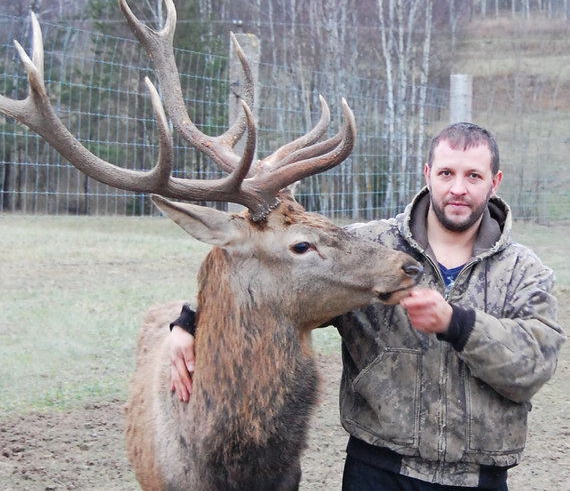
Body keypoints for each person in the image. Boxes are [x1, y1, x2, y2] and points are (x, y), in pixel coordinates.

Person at [168, 122, 566, 490]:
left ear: (494, 183)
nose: (458, 188)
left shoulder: (523, 271)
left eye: (473, 176)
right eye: (446, 173)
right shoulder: (367, 247)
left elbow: (534, 365)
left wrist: (457, 324)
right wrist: (189, 323)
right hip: (377, 472)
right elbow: (275, 281)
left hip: (477, 478)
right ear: (428, 174)